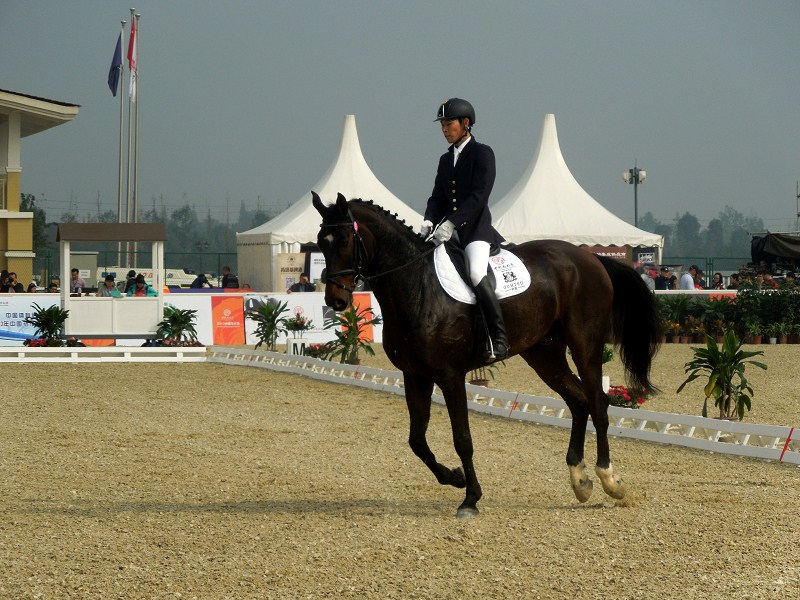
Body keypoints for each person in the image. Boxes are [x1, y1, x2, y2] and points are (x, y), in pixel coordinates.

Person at [421, 97, 507, 363]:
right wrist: (428, 220)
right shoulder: (445, 160)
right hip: (448, 231)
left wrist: (451, 222)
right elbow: (438, 196)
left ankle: (499, 339)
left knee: (476, 272)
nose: (444, 129)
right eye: (442, 125)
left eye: (449, 123)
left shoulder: (483, 153)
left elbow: (479, 196)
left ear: (465, 123)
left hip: (476, 232)